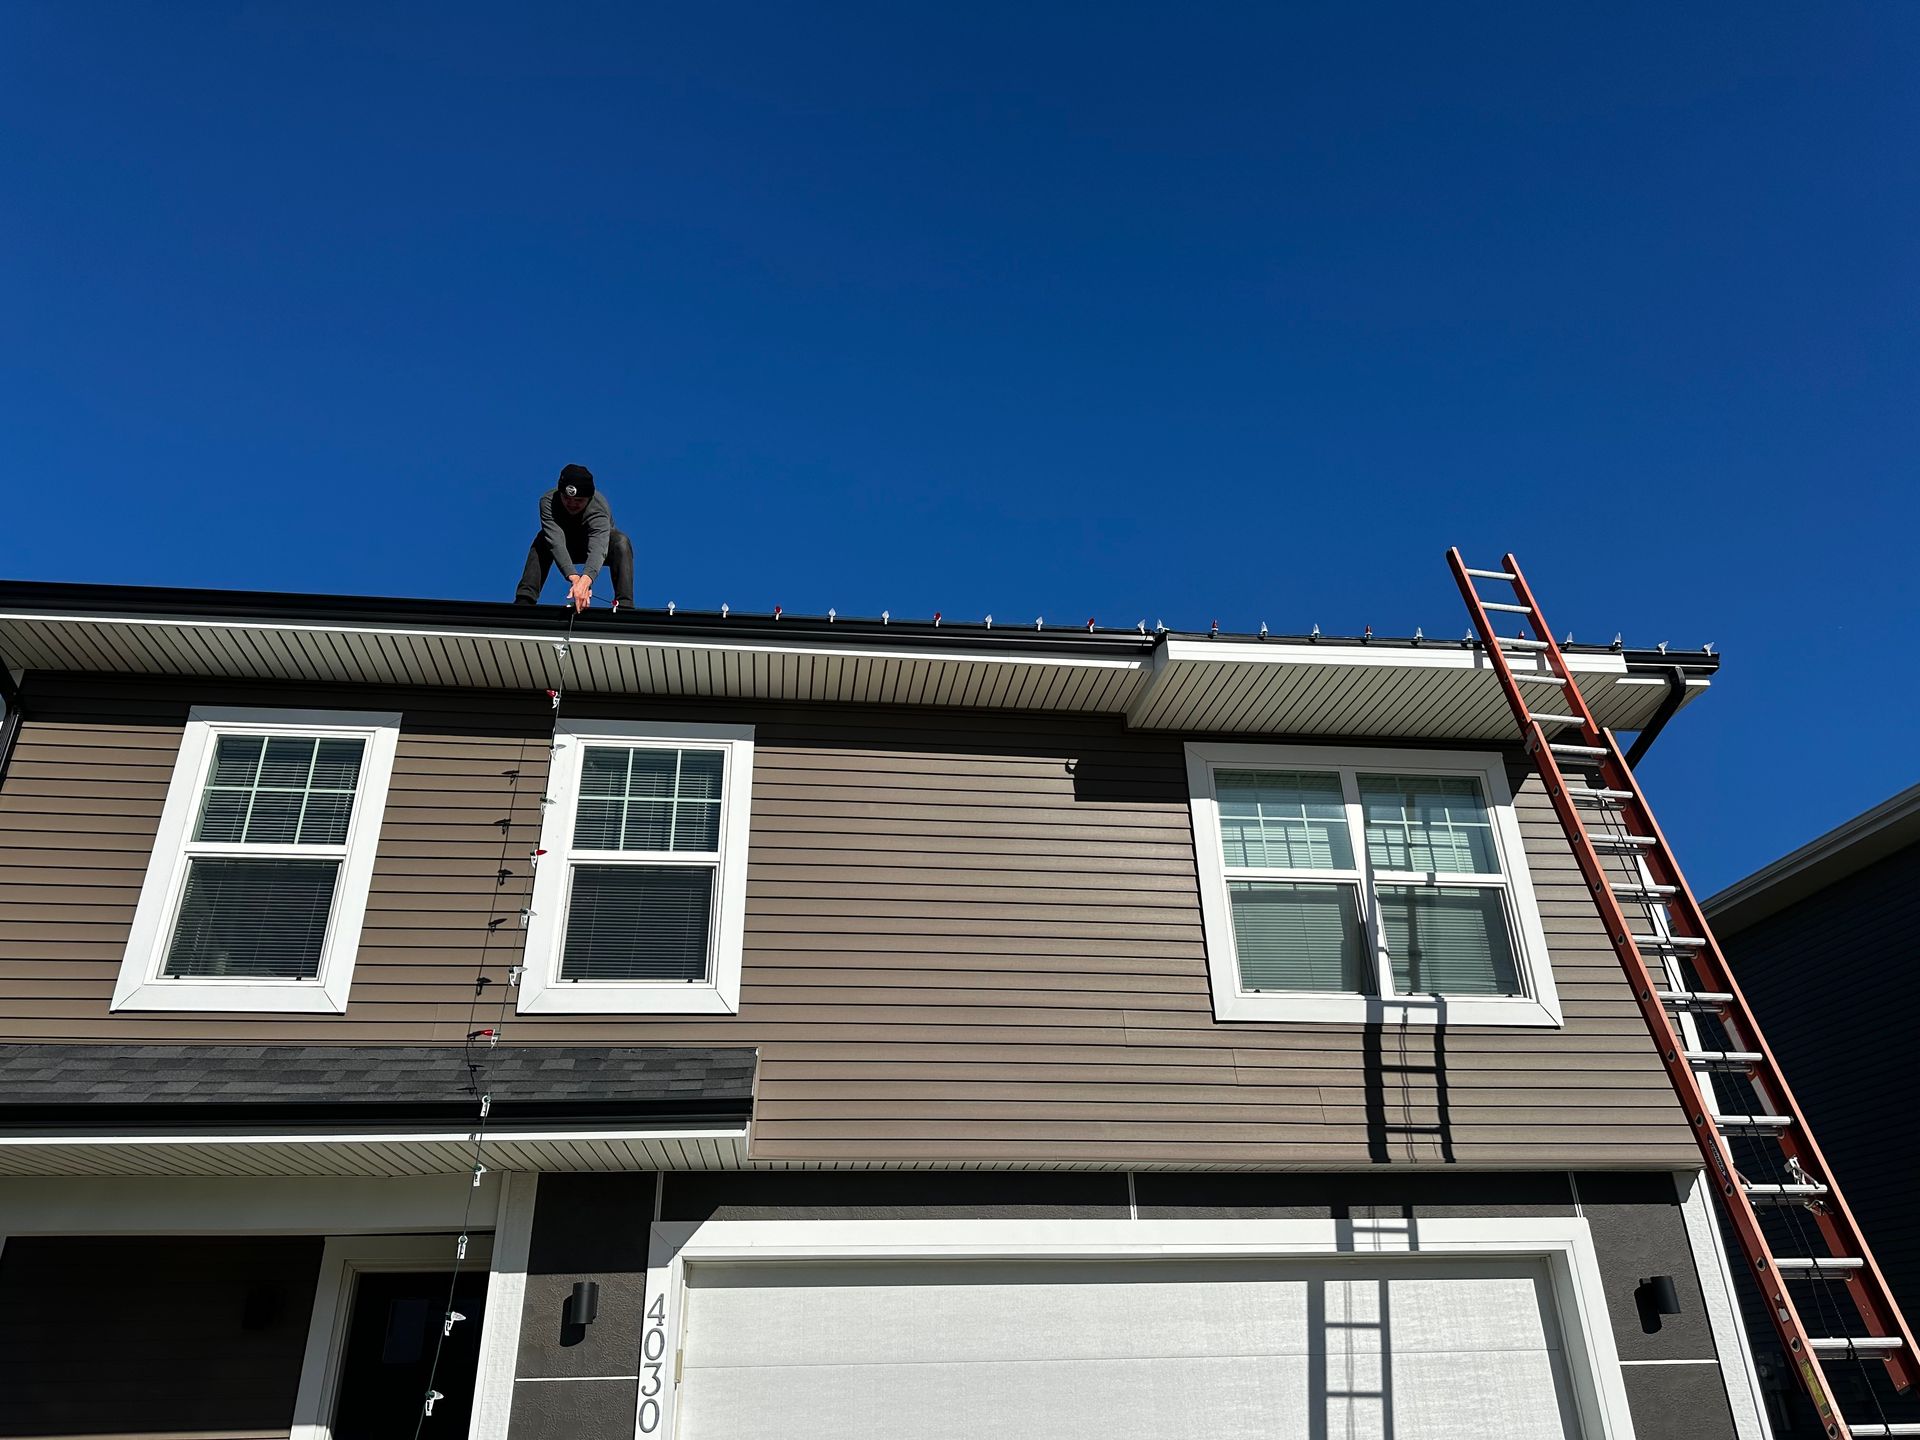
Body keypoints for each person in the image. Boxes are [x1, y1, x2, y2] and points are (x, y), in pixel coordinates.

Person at [514, 464, 635, 612]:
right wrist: (573, 577)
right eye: (566, 498)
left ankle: (625, 605)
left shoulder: (599, 507)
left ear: (588, 498)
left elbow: (598, 548)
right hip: (565, 545)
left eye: (578, 500)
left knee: (621, 542)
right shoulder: (548, 502)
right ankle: (525, 600)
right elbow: (555, 542)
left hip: (599, 548)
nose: (571, 504)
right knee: (542, 539)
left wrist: (585, 580)